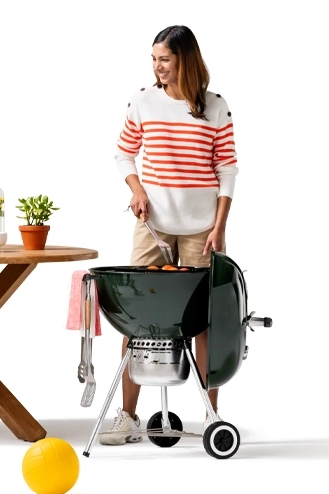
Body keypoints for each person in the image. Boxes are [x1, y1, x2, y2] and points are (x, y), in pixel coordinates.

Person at [99, 25, 240, 446]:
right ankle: (128, 416)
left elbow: (227, 169)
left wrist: (220, 226)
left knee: (205, 321)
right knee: (134, 315)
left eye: (165, 59)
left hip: (202, 229)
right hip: (153, 225)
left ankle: (213, 415)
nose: (158, 67)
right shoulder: (142, 101)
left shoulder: (215, 107)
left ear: (186, 60)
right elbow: (124, 152)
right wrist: (137, 190)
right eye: (154, 59)